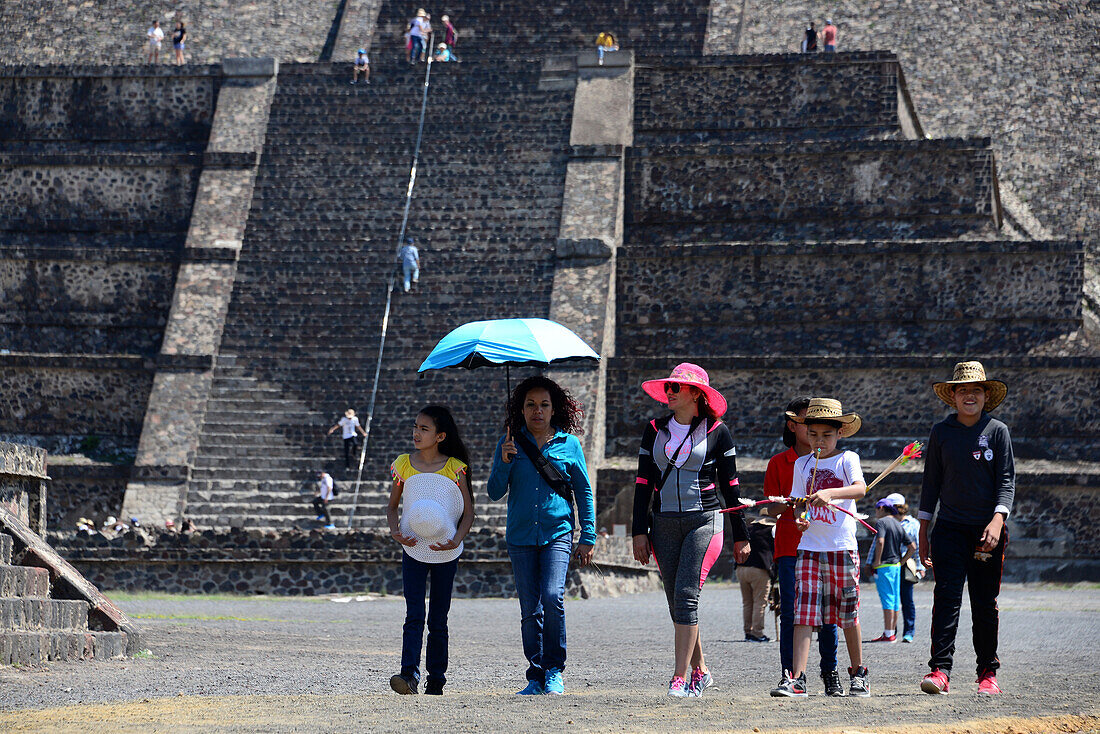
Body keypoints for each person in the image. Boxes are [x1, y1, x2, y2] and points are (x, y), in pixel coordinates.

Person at [631, 363, 750, 698]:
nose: (669, 392)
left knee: (685, 596)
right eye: (668, 386)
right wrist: (638, 531)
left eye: (677, 388)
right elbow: (642, 483)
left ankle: (679, 678)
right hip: (663, 523)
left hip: (705, 520)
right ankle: (702, 670)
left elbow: (732, 486)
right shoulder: (653, 429)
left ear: (696, 393)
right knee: (676, 603)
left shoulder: (718, 431)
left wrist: (741, 535)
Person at [488, 376, 596, 696]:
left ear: (554, 409)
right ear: (520, 409)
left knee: (552, 596)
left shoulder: (569, 444)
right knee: (529, 609)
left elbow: (584, 492)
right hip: (520, 536)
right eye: (531, 405)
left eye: (544, 405)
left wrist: (587, 535)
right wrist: (505, 462)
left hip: (557, 532)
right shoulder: (508, 442)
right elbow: (494, 491)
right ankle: (535, 674)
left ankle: (554, 670)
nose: (537, 411)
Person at [918, 361, 1014, 696]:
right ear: (953, 397)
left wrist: (997, 521)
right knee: (946, 599)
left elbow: (1006, 482)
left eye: (975, 390)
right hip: (949, 529)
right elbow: (931, 485)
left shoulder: (997, 431)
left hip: (987, 533)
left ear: (986, 395)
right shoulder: (941, 433)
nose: (969, 395)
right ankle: (940, 670)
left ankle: (987, 672)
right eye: (962, 390)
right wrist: (922, 532)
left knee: (984, 603)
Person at [772, 398, 870, 698]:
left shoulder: (847, 459)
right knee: (803, 614)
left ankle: (858, 674)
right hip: (810, 549)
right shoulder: (802, 465)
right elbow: (799, 503)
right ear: (804, 432)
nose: (819, 441)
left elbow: (860, 488)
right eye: (813, 434)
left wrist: (830, 493)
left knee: (848, 615)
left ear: (839, 433)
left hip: (841, 548)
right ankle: (797, 678)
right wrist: (801, 520)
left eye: (826, 435)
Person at [387, 406, 474, 696]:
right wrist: (395, 533)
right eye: (415, 427)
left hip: (446, 548)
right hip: (413, 546)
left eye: (424, 429)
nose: (416, 433)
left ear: (440, 436)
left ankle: (436, 678)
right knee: (414, 613)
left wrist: (456, 540)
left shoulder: (455, 467)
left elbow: (468, 512)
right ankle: (408, 674)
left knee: (438, 617)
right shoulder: (403, 464)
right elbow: (392, 507)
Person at [764, 397, 843, 697]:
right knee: (793, 615)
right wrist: (787, 503)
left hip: (826, 546)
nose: (816, 430)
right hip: (790, 547)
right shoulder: (779, 463)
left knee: (828, 615)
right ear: (794, 426)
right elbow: (770, 510)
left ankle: (830, 673)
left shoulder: (838, 460)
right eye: (809, 423)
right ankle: (793, 675)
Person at [864, 497, 916, 643]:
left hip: (884, 566)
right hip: (896, 566)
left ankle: (888, 634)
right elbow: (912, 547)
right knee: (894, 599)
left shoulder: (882, 522)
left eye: (876, 509)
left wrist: (877, 561)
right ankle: (891, 632)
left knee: (886, 599)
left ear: (881, 508)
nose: (875, 512)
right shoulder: (897, 523)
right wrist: (902, 561)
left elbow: (880, 541)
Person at [738, 514, 775, 642]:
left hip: (741, 568)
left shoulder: (748, 529)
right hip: (759, 569)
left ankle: (748, 632)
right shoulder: (771, 531)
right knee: (760, 602)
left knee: (747, 603)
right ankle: (757, 633)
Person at [893, 493, 925, 642]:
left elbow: (917, 546)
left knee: (907, 599)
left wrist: (920, 566)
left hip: (908, 563)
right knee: (891, 600)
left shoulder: (913, 524)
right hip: (890, 562)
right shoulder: (887, 522)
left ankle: (909, 631)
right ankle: (891, 631)